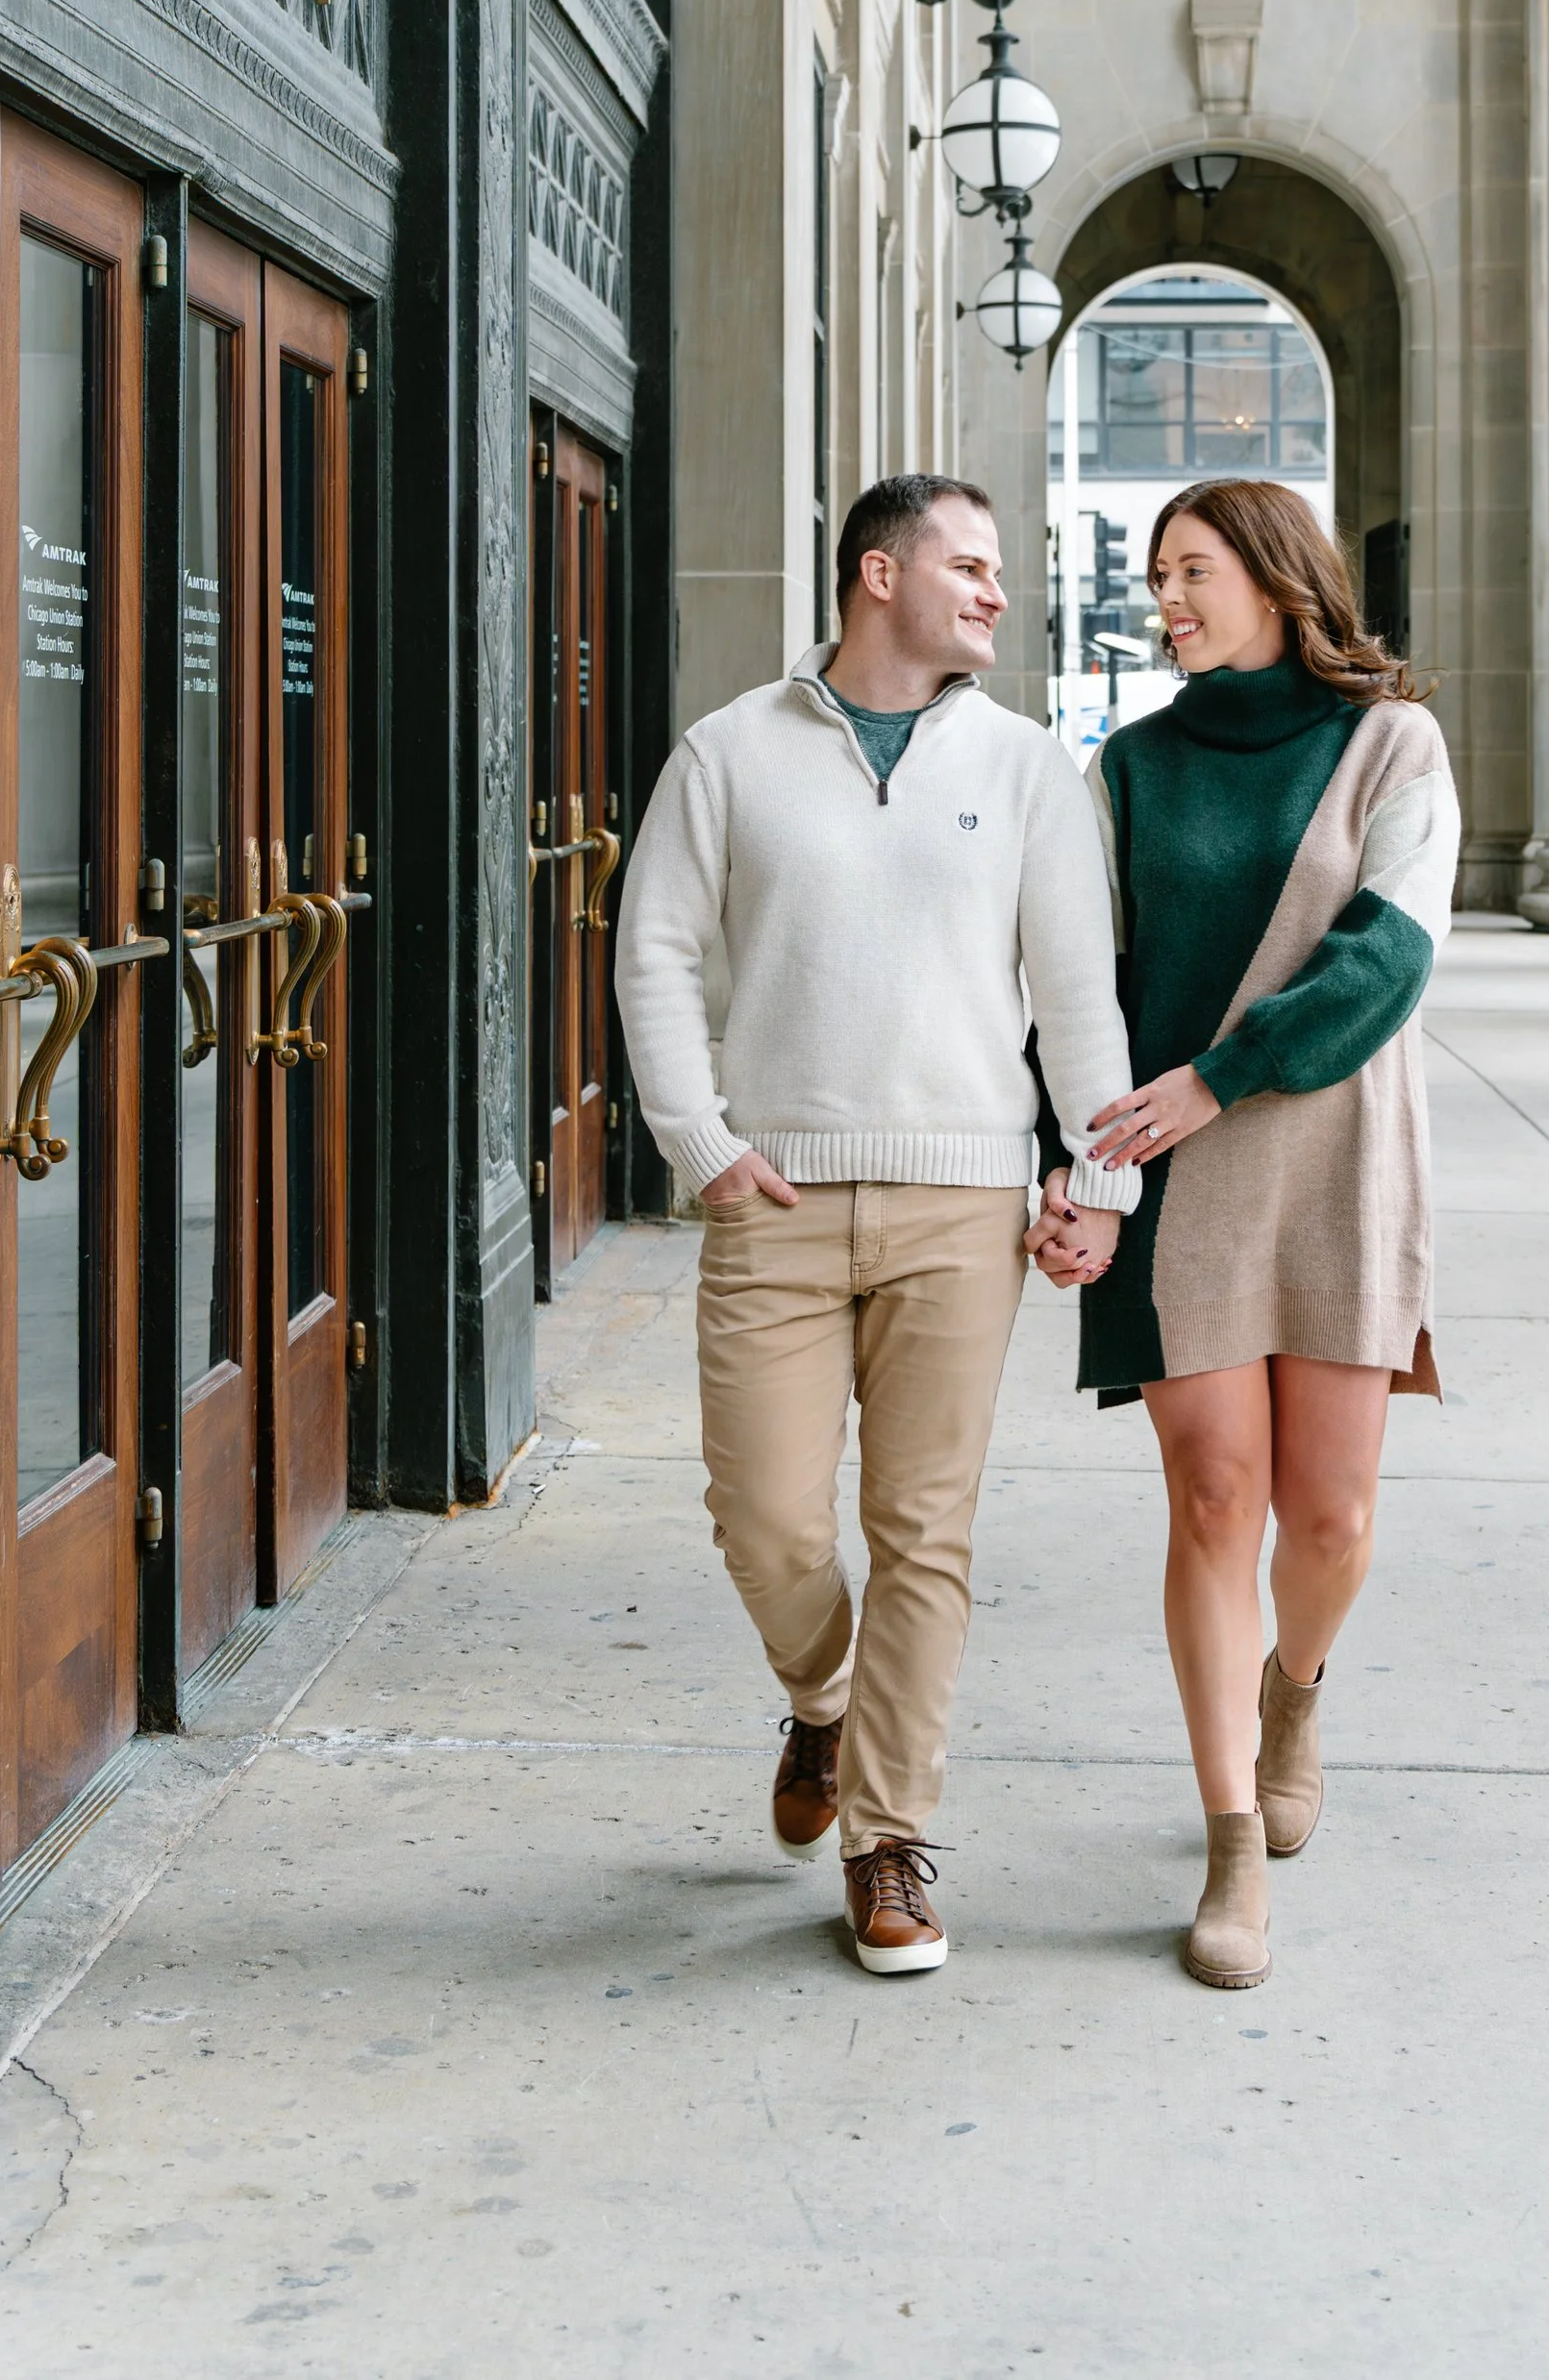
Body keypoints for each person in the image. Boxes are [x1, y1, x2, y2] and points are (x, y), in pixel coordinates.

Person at [614, 474, 1134, 1975]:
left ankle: (889, 1835)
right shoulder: (729, 754)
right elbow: (654, 956)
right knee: (767, 1518)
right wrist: (699, 1142)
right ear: (875, 574)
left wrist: (1096, 1178)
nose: (995, 591)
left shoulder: (1031, 768)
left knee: (924, 1533)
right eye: (967, 566)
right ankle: (820, 1697)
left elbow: (1076, 994)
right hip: (771, 1200)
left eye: (997, 570)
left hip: (963, 1203)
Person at [1033, 478, 1459, 1990]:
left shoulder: (1393, 742)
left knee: (1329, 1518)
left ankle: (1296, 1689)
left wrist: (1218, 1074)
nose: (1166, 599)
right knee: (1216, 1498)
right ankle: (1228, 1843)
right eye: (1156, 576)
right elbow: (1071, 985)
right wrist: (1071, 1169)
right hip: (1173, 1183)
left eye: (1192, 570)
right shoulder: (1126, 770)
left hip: (1336, 1160)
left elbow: (1389, 960)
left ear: (1280, 578)